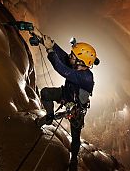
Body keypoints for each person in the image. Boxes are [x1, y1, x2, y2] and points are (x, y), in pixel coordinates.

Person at [36, 35, 99, 171]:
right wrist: (50, 44)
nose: (70, 56)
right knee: (45, 93)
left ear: (81, 62)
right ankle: (50, 116)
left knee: (75, 137)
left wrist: (50, 50)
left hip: (76, 109)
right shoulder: (77, 66)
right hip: (66, 94)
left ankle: (74, 159)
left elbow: (61, 69)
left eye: (73, 56)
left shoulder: (85, 77)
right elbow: (64, 57)